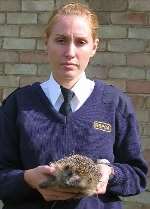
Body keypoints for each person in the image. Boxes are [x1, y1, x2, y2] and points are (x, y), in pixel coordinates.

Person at [0, 3, 148, 209]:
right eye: (61, 40)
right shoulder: (19, 104)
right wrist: (27, 179)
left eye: (81, 42)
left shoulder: (114, 103)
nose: (70, 52)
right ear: (46, 42)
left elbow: (138, 176)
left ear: (94, 47)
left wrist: (111, 174)